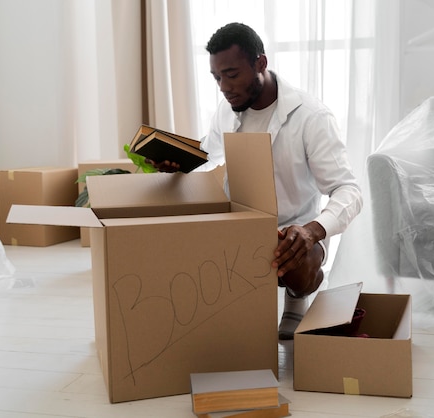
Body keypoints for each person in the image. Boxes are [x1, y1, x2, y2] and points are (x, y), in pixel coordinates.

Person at [151, 22, 362, 339]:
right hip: (241, 223)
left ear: (260, 64)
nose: (223, 86)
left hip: (292, 232)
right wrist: (178, 162)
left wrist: (311, 231)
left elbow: (349, 190)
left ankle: (296, 298)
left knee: (298, 260)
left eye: (232, 74)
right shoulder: (227, 109)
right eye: (217, 77)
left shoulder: (311, 116)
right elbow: (209, 154)